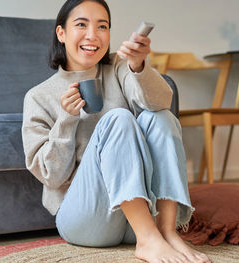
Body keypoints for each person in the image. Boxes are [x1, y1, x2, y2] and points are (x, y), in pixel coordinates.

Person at [22, 1, 211, 262]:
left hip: (140, 216)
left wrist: (138, 65)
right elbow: (50, 177)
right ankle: (148, 241)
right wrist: (66, 119)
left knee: (162, 117)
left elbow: (161, 103)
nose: (92, 35)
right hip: (85, 222)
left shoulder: (118, 68)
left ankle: (166, 232)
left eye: (102, 26)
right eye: (81, 25)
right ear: (61, 34)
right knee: (118, 118)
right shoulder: (39, 96)